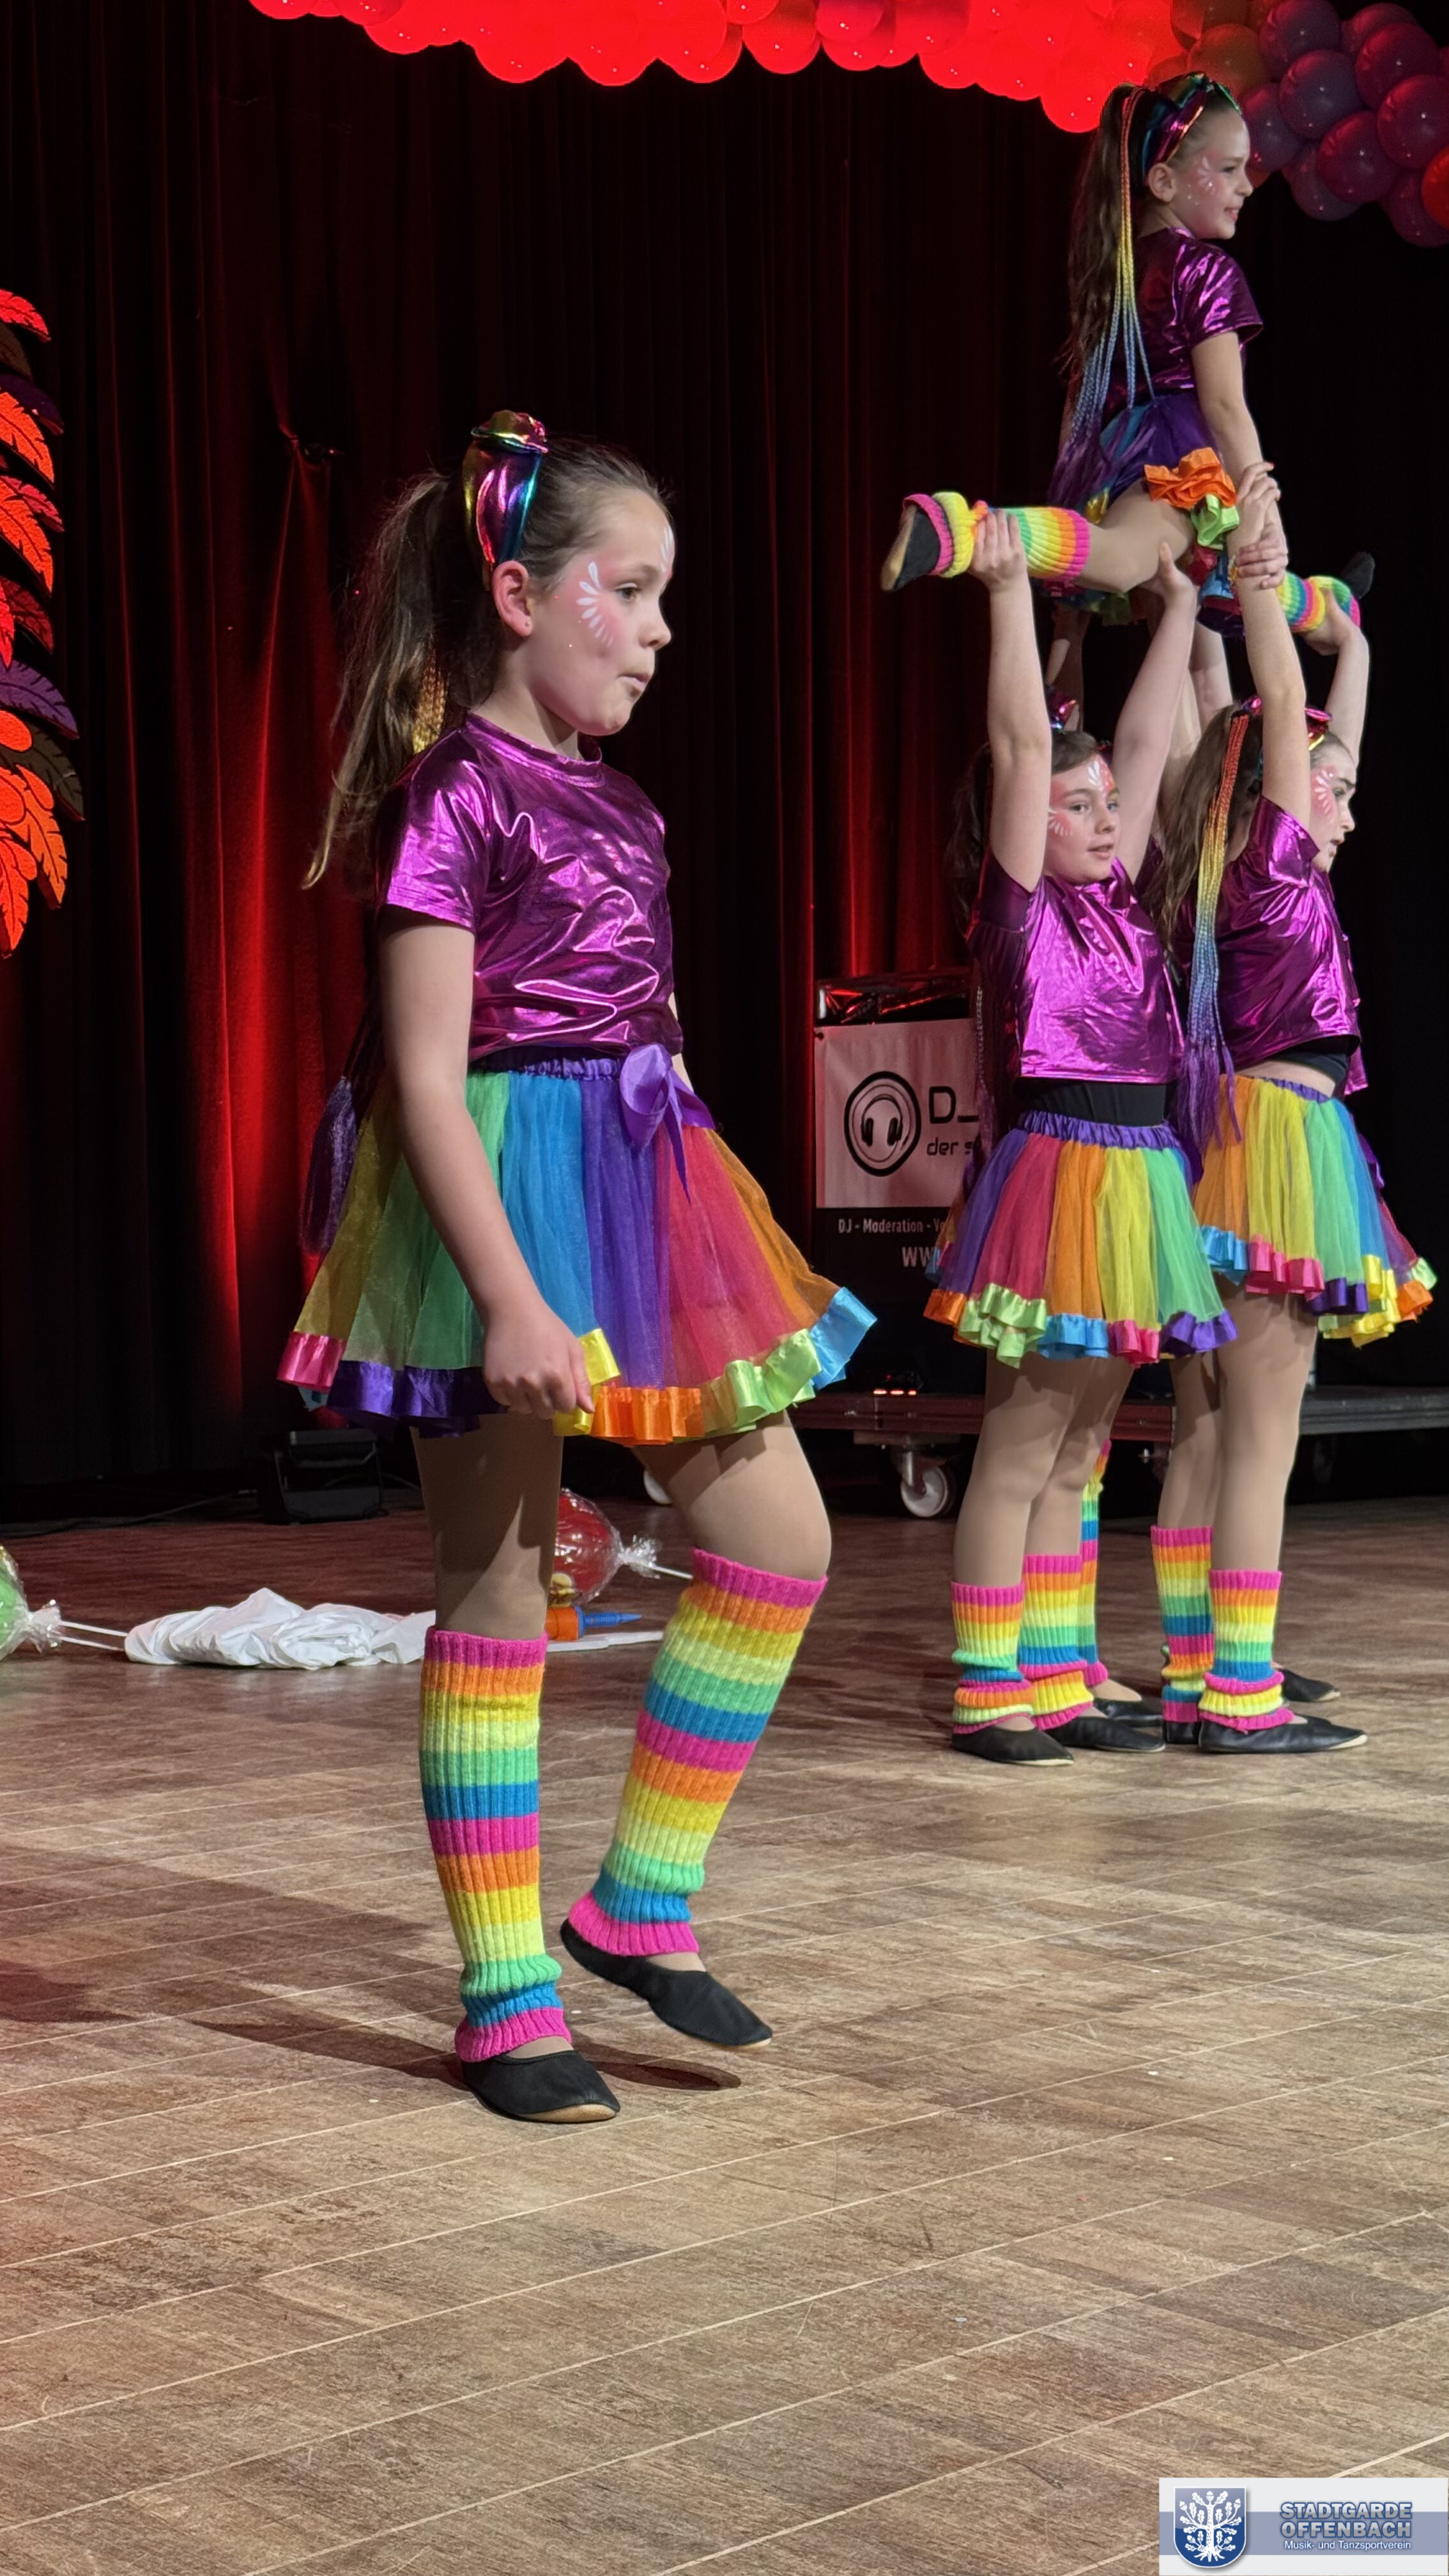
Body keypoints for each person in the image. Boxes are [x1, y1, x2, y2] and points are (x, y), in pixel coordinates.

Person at [282, 413, 870, 2120]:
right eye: (635, 588)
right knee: (499, 1589)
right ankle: (503, 1992)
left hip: (641, 1177)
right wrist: (510, 1294)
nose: (662, 630)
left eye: (667, 595)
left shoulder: (625, 805)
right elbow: (421, 1077)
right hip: (489, 1199)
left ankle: (638, 1901)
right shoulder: (452, 791)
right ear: (521, 596)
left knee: (780, 1537)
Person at [925, 506, 1233, 1767]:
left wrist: (1180, 609)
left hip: (1140, 1175)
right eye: (1077, 805)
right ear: (1022, 820)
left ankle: (1055, 1667)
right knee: (1021, 1443)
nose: (1107, 820)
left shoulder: (1123, 901)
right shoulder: (1018, 913)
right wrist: (1008, 591)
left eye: (1110, 803)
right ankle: (985, 1680)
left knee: (1084, 1442)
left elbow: (1150, 742)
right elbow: (1017, 741)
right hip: (1060, 1175)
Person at [1144, 477, 1432, 1755]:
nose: (1347, 808)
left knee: (1209, 1431)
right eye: (1333, 788)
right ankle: (1238, 1689)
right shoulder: (1266, 862)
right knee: (1261, 1436)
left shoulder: (1242, 868)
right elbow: (1269, 701)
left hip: (1233, 1145)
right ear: (1274, 786)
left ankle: (1193, 1665)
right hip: (1276, 1149)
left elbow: (1290, 717)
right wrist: (1259, 583)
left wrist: (1348, 643)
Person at [880, 75, 1350, 641]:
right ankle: (958, 529)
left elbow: (1082, 397)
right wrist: (1265, 513)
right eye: (1228, 170)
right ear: (1164, 181)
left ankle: (1338, 604)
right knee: (1139, 563)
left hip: (1112, 453)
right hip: (1177, 456)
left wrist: (1070, 485)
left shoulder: (1116, 270)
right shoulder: (1205, 269)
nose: (1247, 187)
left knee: (1194, 627)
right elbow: (1225, 405)